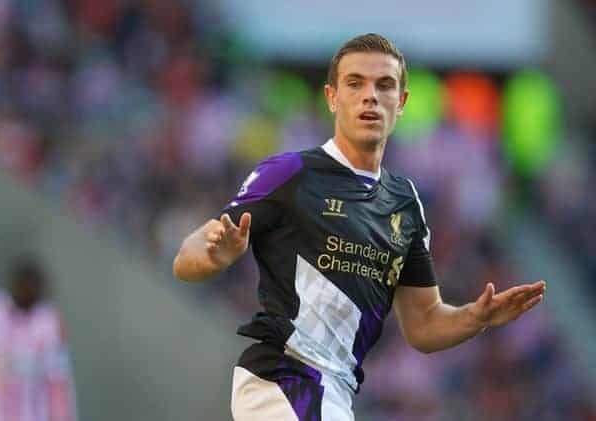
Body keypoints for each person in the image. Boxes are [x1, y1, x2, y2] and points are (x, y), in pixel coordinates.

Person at [173, 33, 546, 421]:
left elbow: (422, 325)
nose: (370, 96)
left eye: (384, 85)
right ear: (332, 97)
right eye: (355, 83)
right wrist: (214, 253)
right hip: (283, 378)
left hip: (335, 391)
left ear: (401, 103)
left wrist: (476, 317)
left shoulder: (404, 202)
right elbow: (187, 259)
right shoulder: (291, 173)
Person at [0, 258, 77, 421]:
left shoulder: (48, 321)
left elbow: (58, 379)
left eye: (33, 286)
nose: (28, 290)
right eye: (24, 285)